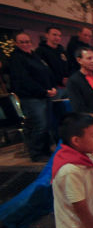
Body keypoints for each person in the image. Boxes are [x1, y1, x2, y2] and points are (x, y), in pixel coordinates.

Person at [9, 31, 57, 162]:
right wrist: (43, 91)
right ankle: (36, 153)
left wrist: (52, 87)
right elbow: (24, 80)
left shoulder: (34, 56)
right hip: (31, 97)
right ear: (16, 44)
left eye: (27, 41)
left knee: (47, 125)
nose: (25, 44)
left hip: (45, 95)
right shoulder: (16, 58)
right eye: (22, 42)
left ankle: (46, 150)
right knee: (39, 125)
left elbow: (47, 72)